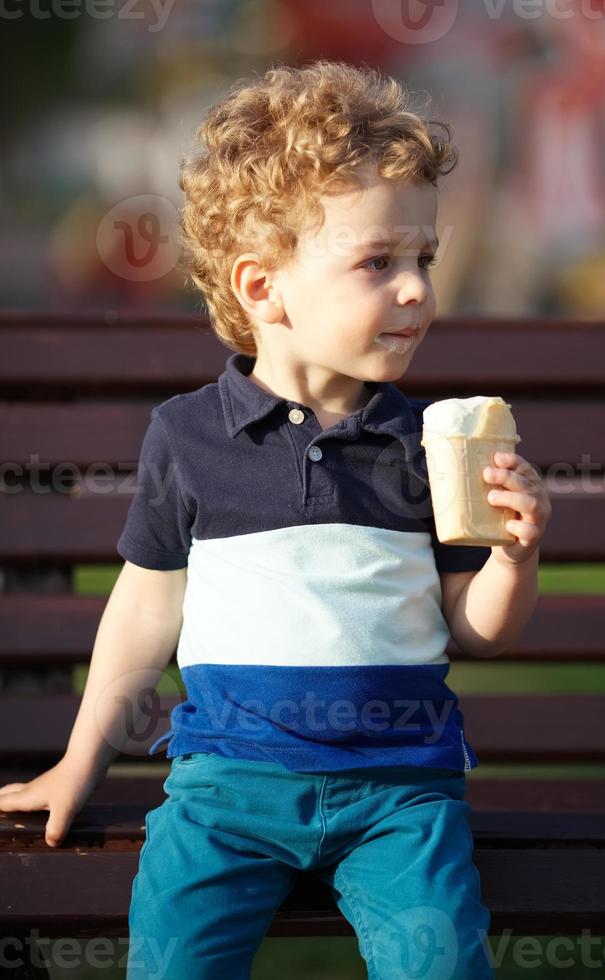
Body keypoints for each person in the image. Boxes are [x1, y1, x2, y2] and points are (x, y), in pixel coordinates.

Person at [0, 60, 551, 979]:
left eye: (424, 260)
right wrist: (78, 764)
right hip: (226, 792)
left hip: (400, 796)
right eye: (379, 262)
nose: (415, 289)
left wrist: (514, 562)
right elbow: (142, 614)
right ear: (263, 289)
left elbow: (474, 630)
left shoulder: (424, 445)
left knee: (440, 963)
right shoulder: (188, 437)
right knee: (173, 960)